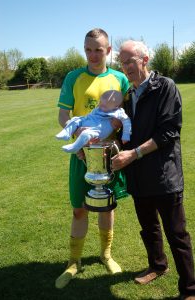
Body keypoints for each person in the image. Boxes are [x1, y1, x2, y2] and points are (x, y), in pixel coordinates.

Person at [111, 40, 195, 300]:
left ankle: (190, 288)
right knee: (148, 227)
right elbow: (125, 133)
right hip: (138, 175)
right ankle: (158, 265)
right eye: (122, 63)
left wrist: (133, 154)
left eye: (130, 62)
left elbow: (169, 132)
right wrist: (109, 142)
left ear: (145, 60)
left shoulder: (165, 87)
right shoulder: (128, 94)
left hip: (163, 174)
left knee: (176, 233)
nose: (126, 68)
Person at [55, 28, 130, 289]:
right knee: (79, 209)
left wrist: (117, 139)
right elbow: (64, 116)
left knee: (107, 206)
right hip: (82, 155)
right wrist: (78, 141)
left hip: (108, 156)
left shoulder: (120, 79)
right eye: (88, 49)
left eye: (98, 49)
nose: (93, 54)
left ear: (109, 50)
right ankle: (73, 262)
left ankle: (106, 255)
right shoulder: (73, 77)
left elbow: (126, 117)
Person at [56, 90, 131, 153]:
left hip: (99, 129)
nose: (100, 106)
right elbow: (92, 115)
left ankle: (75, 147)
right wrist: (83, 120)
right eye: (100, 103)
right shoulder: (101, 107)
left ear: (115, 107)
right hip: (91, 121)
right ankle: (66, 133)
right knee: (75, 119)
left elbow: (126, 122)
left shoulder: (118, 112)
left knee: (86, 134)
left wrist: (126, 135)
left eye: (104, 106)